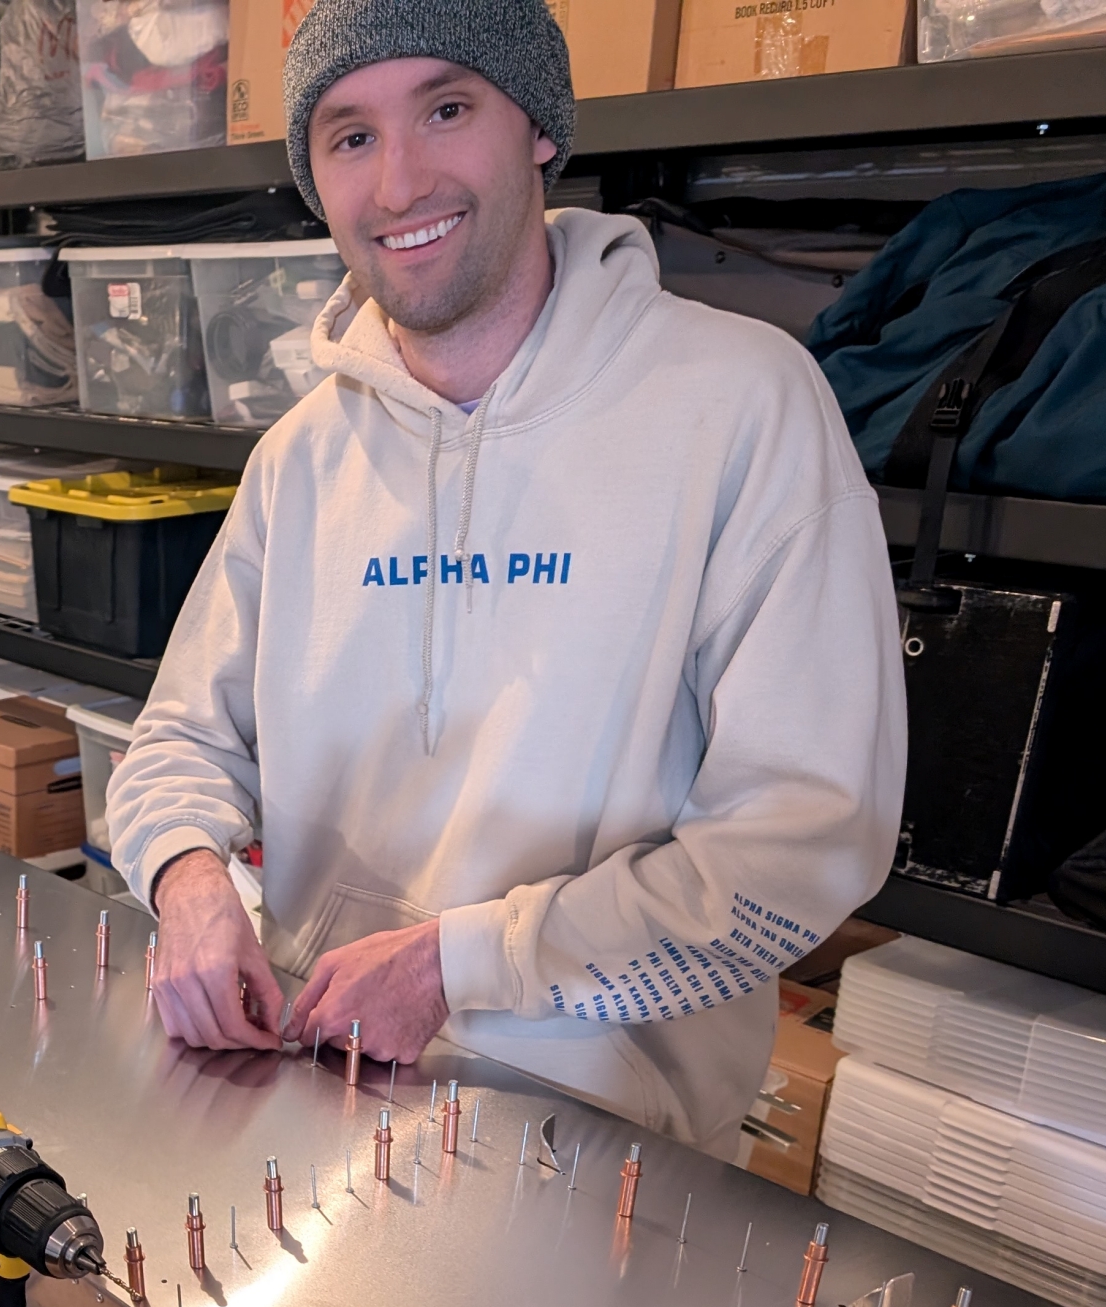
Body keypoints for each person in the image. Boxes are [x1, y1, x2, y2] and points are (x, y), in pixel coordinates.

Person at [111, 0, 905, 1149]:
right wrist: (185, 879)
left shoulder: (741, 409)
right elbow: (179, 737)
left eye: (445, 108)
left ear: (536, 126)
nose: (396, 184)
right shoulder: (303, 455)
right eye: (349, 137)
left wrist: (459, 965)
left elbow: (802, 845)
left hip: (600, 1143)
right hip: (319, 1092)